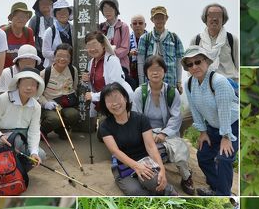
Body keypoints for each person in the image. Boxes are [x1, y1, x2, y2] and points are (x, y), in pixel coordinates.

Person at [99, 82, 178, 196]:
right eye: (109, 101)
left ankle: (170, 192)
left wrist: (162, 170)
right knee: (137, 193)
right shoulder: (105, 126)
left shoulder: (140, 119)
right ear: (105, 104)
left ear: (125, 98)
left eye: (117, 98)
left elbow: (151, 146)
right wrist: (136, 166)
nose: (115, 103)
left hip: (145, 162)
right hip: (124, 166)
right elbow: (115, 151)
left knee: (155, 183)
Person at [131, 55, 195, 194]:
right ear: (146, 72)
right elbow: (135, 117)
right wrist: (149, 133)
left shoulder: (172, 92)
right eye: (151, 69)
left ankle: (186, 177)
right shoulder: (139, 92)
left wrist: (163, 133)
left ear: (164, 72)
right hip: (145, 132)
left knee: (179, 149)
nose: (155, 72)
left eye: (159, 69)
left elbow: (176, 117)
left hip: (167, 132)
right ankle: (149, 174)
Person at [182, 45, 239, 196]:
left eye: (198, 61)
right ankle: (217, 188)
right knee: (203, 156)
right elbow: (194, 109)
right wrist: (202, 132)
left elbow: (224, 110)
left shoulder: (218, 81)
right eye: (190, 64)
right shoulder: (189, 84)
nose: (194, 66)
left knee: (224, 159)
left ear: (207, 61)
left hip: (232, 125)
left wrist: (226, 137)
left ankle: (223, 194)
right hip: (213, 127)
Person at [0, 68, 47, 169]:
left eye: (33, 85)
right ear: (18, 84)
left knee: (40, 154)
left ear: (37, 87)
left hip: (21, 140)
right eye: (25, 84)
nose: (28, 88)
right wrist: (0, 136)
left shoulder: (36, 106)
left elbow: (34, 131)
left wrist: (33, 152)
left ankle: (16, 173)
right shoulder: (3, 99)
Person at [82, 31, 133, 114]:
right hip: (103, 104)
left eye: (94, 45)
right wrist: (86, 81)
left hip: (117, 103)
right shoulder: (91, 62)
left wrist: (94, 96)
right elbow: (93, 86)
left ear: (102, 45)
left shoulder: (112, 60)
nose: (92, 49)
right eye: (88, 46)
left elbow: (114, 87)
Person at [137, 6, 185, 92]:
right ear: (152, 19)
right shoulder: (145, 38)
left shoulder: (174, 38)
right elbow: (140, 62)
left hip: (170, 83)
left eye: (162, 17)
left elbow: (179, 60)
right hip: (150, 84)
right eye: (156, 18)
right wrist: (141, 84)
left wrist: (179, 81)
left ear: (166, 18)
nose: (159, 20)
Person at [39, 43, 80, 139]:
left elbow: (74, 88)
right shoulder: (45, 73)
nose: (62, 59)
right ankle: (42, 131)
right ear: (54, 57)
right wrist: (46, 103)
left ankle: (60, 128)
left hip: (66, 105)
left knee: (74, 115)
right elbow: (37, 95)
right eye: (59, 56)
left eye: (66, 56)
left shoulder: (73, 70)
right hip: (49, 106)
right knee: (53, 119)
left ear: (70, 59)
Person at [191, 3, 238, 83]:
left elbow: (238, 64)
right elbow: (191, 67)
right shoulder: (196, 40)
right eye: (211, 15)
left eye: (218, 15)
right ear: (205, 19)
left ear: (223, 19)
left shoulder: (232, 39)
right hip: (204, 85)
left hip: (230, 84)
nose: (215, 18)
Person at [98, 0, 131, 76]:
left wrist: (109, 54)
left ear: (116, 10)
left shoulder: (123, 27)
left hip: (120, 65)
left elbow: (125, 49)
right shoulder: (100, 27)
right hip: (103, 66)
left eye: (110, 9)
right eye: (105, 9)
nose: (107, 12)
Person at [1, 2, 35, 68]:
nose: (21, 19)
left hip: (22, 70)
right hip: (4, 72)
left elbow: (31, 55)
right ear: (11, 18)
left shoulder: (28, 32)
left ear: (27, 19)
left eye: (24, 16)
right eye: (18, 16)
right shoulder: (3, 32)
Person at [42, 0, 74, 67]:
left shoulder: (74, 29)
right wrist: (62, 56)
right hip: (53, 68)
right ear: (55, 15)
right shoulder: (50, 31)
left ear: (69, 13)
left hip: (71, 66)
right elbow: (45, 52)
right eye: (59, 12)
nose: (62, 14)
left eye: (65, 12)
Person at [128, 14, 147, 89]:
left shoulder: (151, 39)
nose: (137, 25)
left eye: (140, 23)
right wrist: (129, 53)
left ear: (145, 25)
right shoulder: (126, 39)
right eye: (135, 23)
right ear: (131, 26)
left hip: (147, 73)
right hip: (132, 75)